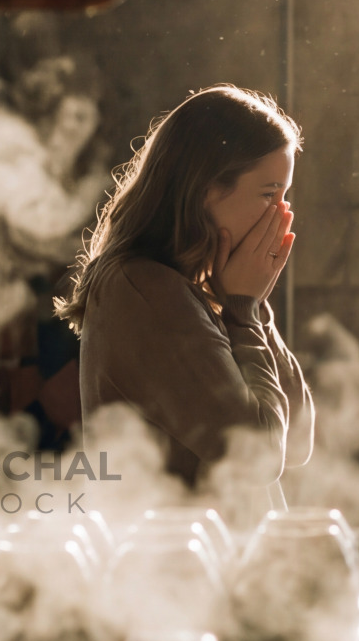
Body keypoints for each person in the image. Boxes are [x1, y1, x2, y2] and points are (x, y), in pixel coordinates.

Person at [61, 85, 312, 516]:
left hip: (221, 554)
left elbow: (300, 441)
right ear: (207, 189)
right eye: (268, 194)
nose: (281, 215)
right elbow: (260, 456)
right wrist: (243, 312)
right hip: (176, 555)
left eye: (284, 196)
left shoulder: (202, 288)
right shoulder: (144, 290)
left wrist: (252, 309)